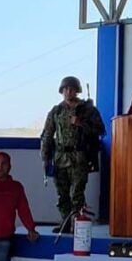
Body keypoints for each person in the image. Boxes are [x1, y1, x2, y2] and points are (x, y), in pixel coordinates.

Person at [40, 75, 105, 231]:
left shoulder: (88, 110)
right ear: (61, 91)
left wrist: (81, 124)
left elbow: (101, 130)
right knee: (62, 194)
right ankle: (66, 222)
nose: (68, 92)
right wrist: (45, 157)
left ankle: (77, 224)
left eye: (71, 89)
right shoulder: (56, 111)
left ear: (77, 90)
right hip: (60, 157)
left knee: (76, 193)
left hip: (79, 157)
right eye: (65, 89)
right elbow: (47, 135)